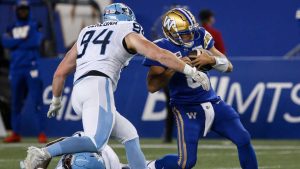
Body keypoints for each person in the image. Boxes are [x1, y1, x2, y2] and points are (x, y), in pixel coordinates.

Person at [21, 3, 209, 169]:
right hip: (98, 85)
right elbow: (159, 55)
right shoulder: (126, 30)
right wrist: (190, 71)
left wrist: (56, 99)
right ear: (125, 18)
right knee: (96, 142)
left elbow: (60, 72)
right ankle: (43, 153)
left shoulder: (87, 32)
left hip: (79, 90)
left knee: (130, 135)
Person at [142, 8, 258, 169]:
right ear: (171, 33)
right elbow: (152, 86)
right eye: (185, 33)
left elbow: (228, 66)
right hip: (185, 107)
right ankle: (148, 166)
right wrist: (175, 66)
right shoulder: (161, 48)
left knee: (243, 138)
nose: (190, 36)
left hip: (213, 102)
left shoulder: (200, 35)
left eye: (191, 31)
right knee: (185, 163)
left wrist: (211, 59)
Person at [1, 0, 47, 143]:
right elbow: (5, 43)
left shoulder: (35, 24)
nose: (22, 12)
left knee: (36, 101)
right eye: (20, 9)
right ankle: (16, 133)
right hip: (15, 68)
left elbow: (35, 42)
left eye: (25, 9)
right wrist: (23, 39)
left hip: (31, 68)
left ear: (29, 10)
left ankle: (42, 132)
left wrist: (17, 41)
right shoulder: (11, 27)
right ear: (16, 11)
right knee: (15, 102)